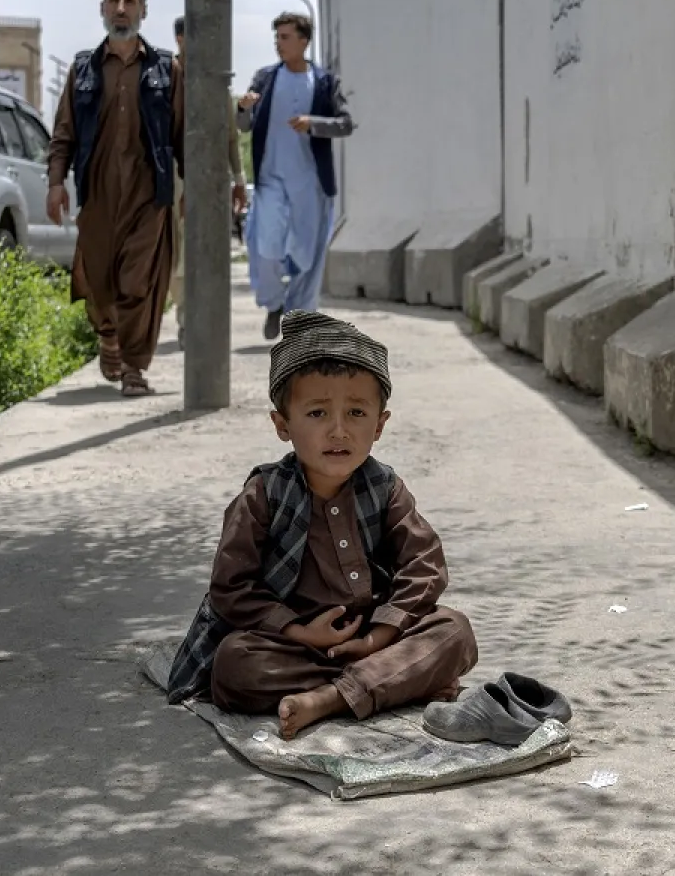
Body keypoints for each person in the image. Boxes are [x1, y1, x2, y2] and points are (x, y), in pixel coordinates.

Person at [166, 310, 478, 739]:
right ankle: (392, 681)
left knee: (454, 631)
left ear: (380, 424)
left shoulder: (384, 488)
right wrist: (299, 631)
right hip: (292, 646)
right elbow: (230, 588)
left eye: (355, 413)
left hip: (374, 638)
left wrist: (377, 638)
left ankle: (331, 697)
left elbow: (424, 565)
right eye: (316, 414)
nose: (338, 431)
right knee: (234, 665)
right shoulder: (263, 495)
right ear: (282, 425)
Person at [47, 0, 184, 397]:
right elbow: (64, 131)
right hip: (99, 190)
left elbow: (181, 134)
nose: (121, 8)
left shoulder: (166, 67)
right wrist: (56, 182)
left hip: (149, 193)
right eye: (114, 0)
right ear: (102, 7)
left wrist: (192, 194)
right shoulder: (84, 67)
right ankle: (107, 334)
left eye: (129, 1)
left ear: (143, 9)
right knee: (98, 280)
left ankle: (133, 369)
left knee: (139, 283)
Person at [237, 13, 354, 341]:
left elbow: (345, 123)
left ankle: (299, 317)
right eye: (277, 37)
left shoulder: (325, 82)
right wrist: (243, 109)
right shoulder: (264, 79)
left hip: (310, 181)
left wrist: (314, 123)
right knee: (266, 247)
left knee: (307, 254)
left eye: (286, 37)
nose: (279, 43)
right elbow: (242, 126)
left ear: (304, 41)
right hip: (271, 179)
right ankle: (274, 304)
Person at [171, 14, 249, 351]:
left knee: (210, 250)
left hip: (213, 178)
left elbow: (230, 136)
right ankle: (187, 319)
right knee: (178, 254)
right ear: (180, 40)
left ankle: (205, 321)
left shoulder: (218, 82)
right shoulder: (164, 77)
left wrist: (239, 180)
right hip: (173, 177)